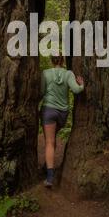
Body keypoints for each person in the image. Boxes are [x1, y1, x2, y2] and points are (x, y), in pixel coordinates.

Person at [40, 55, 84, 188]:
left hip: (48, 110)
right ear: (62, 60)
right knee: (52, 140)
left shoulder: (45, 73)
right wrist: (81, 84)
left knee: (49, 142)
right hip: (62, 114)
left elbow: (42, 92)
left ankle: (49, 177)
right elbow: (76, 90)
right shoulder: (68, 74)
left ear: (51, 61)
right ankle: (48, 164)